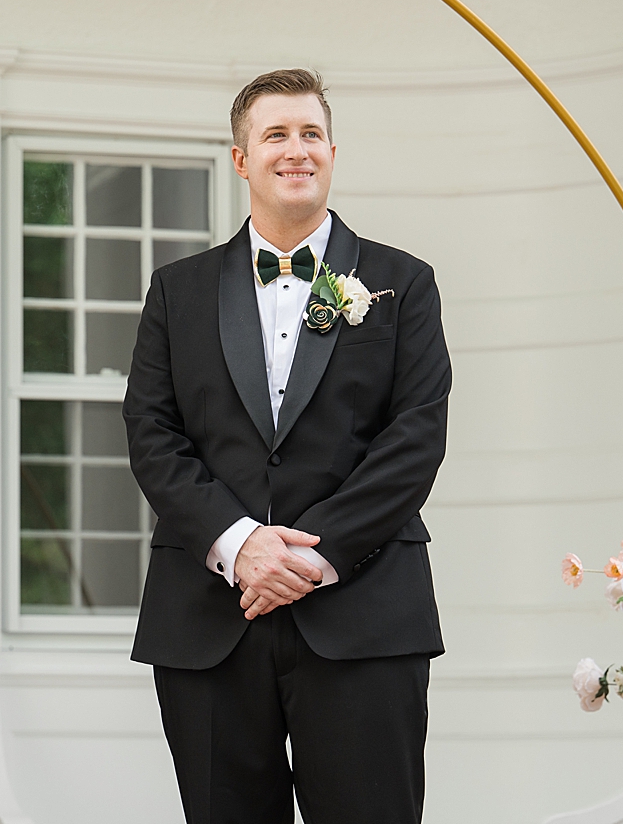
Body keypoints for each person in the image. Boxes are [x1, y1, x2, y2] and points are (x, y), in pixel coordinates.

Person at [125, 69, 450, 824]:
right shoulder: (177, 290)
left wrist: (305, 558)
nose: (295, 149)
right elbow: (152, 431)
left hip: (365, 610)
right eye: (275, 134)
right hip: (211, 614)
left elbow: (416, 435)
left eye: (310, 134)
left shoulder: (405, 284)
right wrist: (241, 546)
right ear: (240, 158)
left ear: (333, 152)